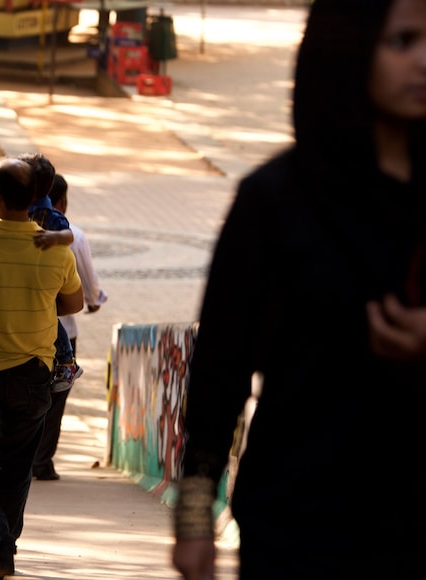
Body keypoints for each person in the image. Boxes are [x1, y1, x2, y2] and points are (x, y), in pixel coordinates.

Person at [172, 1, 426, 578]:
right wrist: (193, 521)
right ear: (348, 48)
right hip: (300, 525)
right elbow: (220, 373)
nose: (424, 61)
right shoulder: (276, 200)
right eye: (404, 41)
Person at [0, 156, 84, 580]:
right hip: (34, 375)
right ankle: (4, 549)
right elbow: (74, 305)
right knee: (15, 468)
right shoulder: (56, 252)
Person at [31, 173, 108, 482]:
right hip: (63, 331)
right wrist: (94, 300)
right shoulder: (72, 234)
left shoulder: (8, 231)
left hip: (18, 328)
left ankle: (16, 456)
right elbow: (89, 290)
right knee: (55, 398)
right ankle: (42, 461)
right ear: (59, 202)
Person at [19, 153, 83, 392]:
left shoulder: (49, 215)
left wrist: (53, 237)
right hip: (30, 276)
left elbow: (69, 235)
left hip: (42, 279)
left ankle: (67, 361)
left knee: (51, 318)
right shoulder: (25, 209)